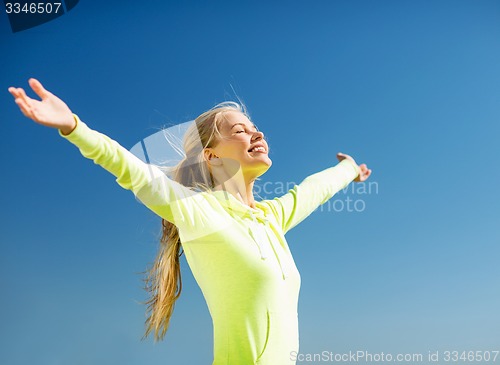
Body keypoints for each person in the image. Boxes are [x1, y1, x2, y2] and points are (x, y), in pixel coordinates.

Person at [8, 78, 372, 365]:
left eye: (255, 127)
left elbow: (313, 189)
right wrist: (74, 126)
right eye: (240, 130)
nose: (256, 133)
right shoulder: (199, 212)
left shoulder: (271, 218)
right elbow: (133, 171)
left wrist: (349, 168)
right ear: (212, 156)